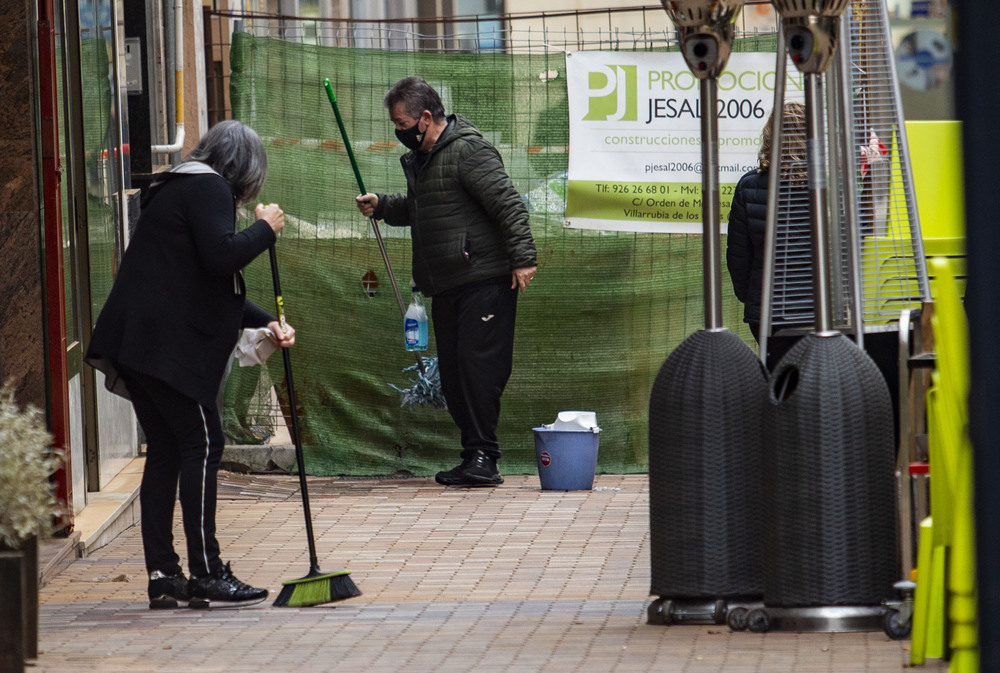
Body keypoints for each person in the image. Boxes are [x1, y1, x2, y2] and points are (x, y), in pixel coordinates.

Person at [85, 120, 295, 609]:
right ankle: (206, 571)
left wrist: (268, 323)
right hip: (161, 349)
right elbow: (224, 259)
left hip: (136, 343)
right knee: (202, 441)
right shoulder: (209, 188)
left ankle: (163, 575)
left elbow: (210, 285)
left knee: (164, 450)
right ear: (242, 169)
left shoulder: (178, 185)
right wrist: (266, 229)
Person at [356, 76, 537, 487]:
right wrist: (383, 206)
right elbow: (427, 209)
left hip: (484, 279)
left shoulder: (468, 150)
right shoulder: (424, 158)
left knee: (478, 369)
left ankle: (484, 458)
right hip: (447, 283)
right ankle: (472, 454)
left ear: (424, 116)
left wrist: (524, 258)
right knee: (455, 374)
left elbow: (508, 204)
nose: (398, 132)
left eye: (402, 124)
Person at [726, 101, 809, 371]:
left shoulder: (749, 187)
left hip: (767, 313)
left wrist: (751, 297)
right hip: (816, 310)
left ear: (770, 135)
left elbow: (738, 257)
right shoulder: (825, 187)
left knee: (777, 382)